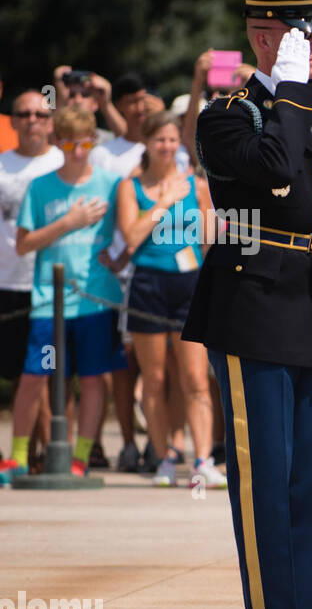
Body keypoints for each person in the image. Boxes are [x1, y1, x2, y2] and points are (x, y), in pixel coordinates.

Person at [181, 0, 312, 609]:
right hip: (253, 304)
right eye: (300, 36)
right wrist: (284, 90)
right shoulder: (228, 116)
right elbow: (275, 166)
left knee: (310, 473)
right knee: (265, 471)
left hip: (310, 307)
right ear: (263, 38)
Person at [2, 106, 124, 484]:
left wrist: (118, 257)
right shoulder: (41, 186)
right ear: (58, 141)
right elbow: (23, 245)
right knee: (35, 376)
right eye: (70, 143)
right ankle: (17, 457)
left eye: (86, 143)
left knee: (91, 379)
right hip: (47, 302)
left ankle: (81, 457)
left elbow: (130, 229)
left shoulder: (111, 182)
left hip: (96, 298)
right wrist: (68, 223)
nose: (78, 151)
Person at [110, 110, 225, 488]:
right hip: (147, 285)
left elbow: (209, 238)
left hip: (188, 284)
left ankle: (203, 459)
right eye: (159, 139)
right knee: (155, 379)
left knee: (195, 378)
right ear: (146, 142)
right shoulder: (130, 187)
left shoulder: (197, 185)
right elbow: (130, 236)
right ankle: (163, 458)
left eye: (173, 139)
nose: (167, 146)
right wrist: (162, 202)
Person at [0, 90, 61, 473]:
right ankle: (25, 455)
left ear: (51, 121)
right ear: (13, 121)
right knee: (16, 375)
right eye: (24, 114)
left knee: (44, 373)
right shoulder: (2, 165)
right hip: (6, 283)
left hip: (52, 287)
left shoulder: (62, 163)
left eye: (40, 113)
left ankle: (44, 453)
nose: (32, 120)